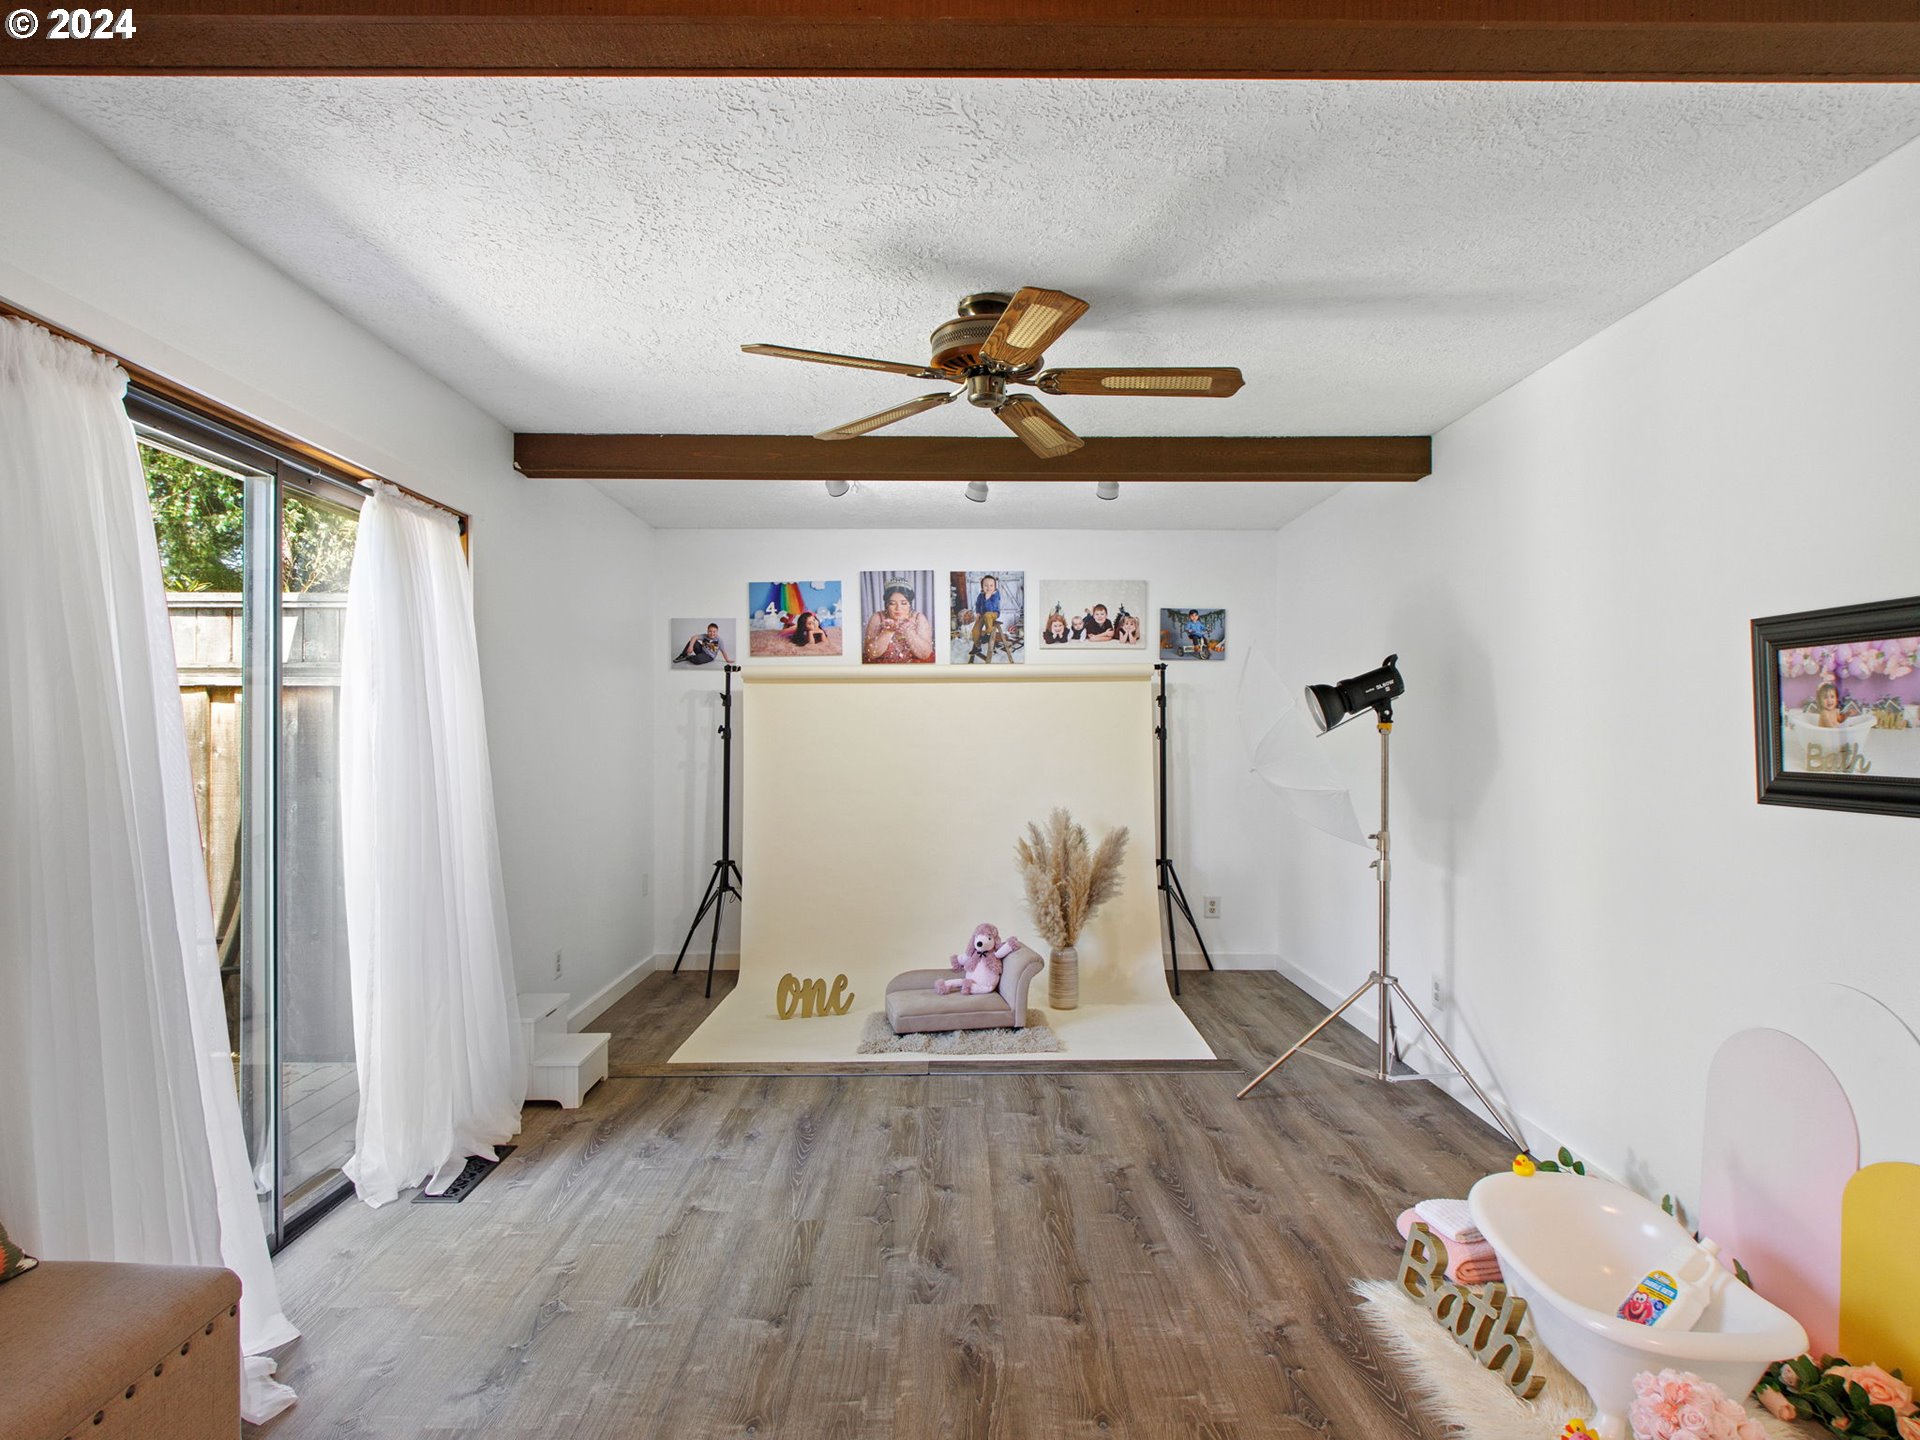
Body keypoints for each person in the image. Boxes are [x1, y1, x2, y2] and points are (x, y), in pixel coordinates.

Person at [864, 578, 934, 663]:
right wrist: (888, 632)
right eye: (892, 603)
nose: (898, 608)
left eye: (903, 603)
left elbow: (925, 654)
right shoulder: (878, 617)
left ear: (909, 604)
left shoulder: (918, 618)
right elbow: (870, 653)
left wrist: (908, 632)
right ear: (887, 604)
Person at [967, 573, 1002, 663]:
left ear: (995, 586)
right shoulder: (981, 595)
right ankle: (977, 647)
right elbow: (978, 604)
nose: (989, 588)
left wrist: (987, 598)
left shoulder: (996, 595)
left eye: (991, 585)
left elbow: (990, 608)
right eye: (986, 585)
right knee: (975, 630)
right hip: (983, 615)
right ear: (982, 586)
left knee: (987, 614)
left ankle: (988, 633)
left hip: (993, 614)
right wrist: (978, 612)